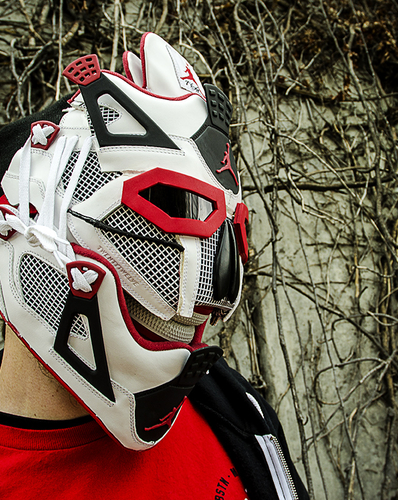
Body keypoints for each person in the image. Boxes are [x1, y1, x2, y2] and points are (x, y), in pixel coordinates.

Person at [0, 32, 309, 499]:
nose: (208, 295)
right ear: (25, 217)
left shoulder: (235, 409)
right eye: (163, 213)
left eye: (224, 235)